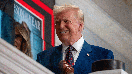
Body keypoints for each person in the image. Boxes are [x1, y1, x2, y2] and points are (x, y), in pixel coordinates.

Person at [36, 4, 114, 74]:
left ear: (80, 26)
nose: (61, 26)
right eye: (57, 22)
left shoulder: (103, 56)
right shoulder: (44, 57)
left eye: (66, 21)